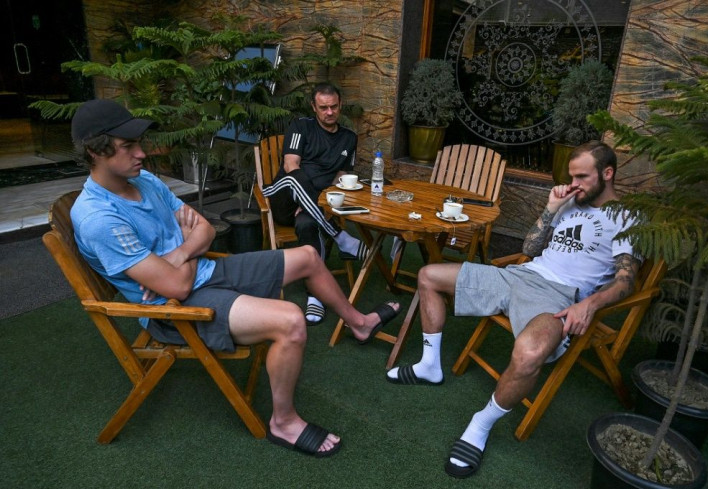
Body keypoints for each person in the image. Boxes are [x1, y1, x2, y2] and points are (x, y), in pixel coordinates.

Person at [69, 99, 399, 457]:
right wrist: (188, 245)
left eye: (138, 143)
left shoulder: (144, 181)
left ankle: (360, 323)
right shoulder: (99, 218)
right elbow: (177, 287)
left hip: (201, 274)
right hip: (173, 310)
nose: (142, 154)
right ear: (95, 152)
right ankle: (283, 422)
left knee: (307, 257)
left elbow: (208, 230)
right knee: (291, 320)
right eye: (127, 146)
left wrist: (180, 253)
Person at [386, 140, 640, 477]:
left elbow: (626, 281)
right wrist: (550, 209)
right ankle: (430, 365)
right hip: (520, 275)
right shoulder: (569, 201)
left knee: (530, 353)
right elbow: (529, 248)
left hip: (560, 296)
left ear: (607, 174)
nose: (573, 183)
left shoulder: (626, 217)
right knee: (428, 275)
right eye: (571, 176)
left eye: (582, 177)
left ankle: (482, 421)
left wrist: (589, 304)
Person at [261, 82, 368, 326]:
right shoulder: (301, 126)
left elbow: (341, 177)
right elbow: (290, 165)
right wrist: (304, 196)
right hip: (285, 196)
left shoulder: (348, 138)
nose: (329, 112)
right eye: (323, 108)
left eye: (333, 107)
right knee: (296, 177)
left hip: (315, 205)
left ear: (340, 106)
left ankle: (315, 296)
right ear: (314, 107)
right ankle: (340, 236)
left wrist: (317, 203)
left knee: (308, 224)